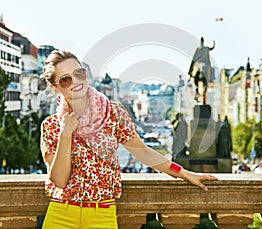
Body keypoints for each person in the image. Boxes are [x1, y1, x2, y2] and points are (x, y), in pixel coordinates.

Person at [40, 50, 217, 229]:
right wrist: (65, 134)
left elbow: (145, 153)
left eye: (79, 73)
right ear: (55, 87)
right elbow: (60, 181)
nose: (76, 82)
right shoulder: (51, 125)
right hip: (60, 214)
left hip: (101, 214)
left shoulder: (113, 113)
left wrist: (185, 173)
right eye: (65, 79)